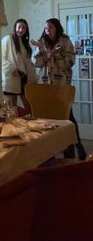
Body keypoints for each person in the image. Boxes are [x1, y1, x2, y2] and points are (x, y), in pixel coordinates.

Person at [31, 17, 86, 160]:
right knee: (48, 118)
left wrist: (57, 56)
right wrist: (40, 54)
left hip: (61, 84)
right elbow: (36, 63)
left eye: (50, 28)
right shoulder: (41, 41)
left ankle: (76, 148)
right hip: (45, 85)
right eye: (46, 28)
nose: (47, 31)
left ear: (57, 28)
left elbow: (71, 61)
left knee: (67, 117)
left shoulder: (65, 41)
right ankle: (50, 153)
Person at [2, 18, 37, 112]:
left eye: (24, 28)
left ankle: (30, 125)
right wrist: (12, 70)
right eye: (19, 27)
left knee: (29, 105)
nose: (21, 30)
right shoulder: (7, 39)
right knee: (11, 108)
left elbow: (28, 62)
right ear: (15, 27)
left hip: (24, 78)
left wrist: (33, 77)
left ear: (26, 30)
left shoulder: (24, 43)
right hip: (12, 76)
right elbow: (2, 58)